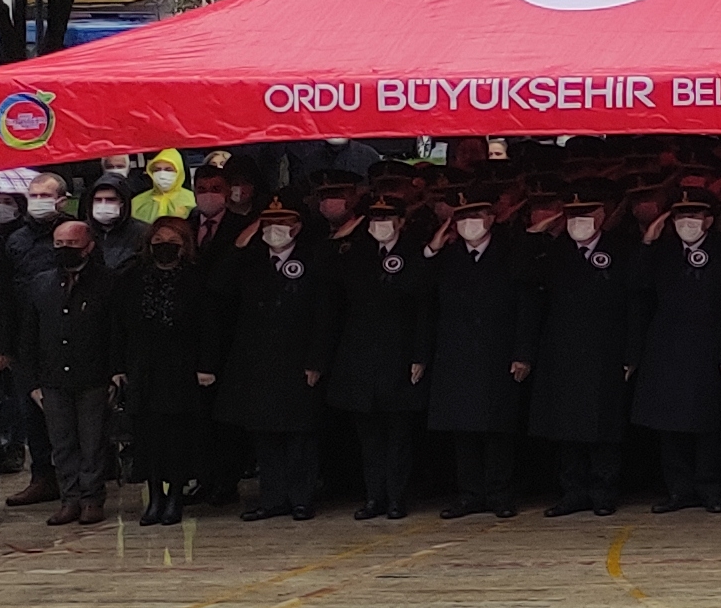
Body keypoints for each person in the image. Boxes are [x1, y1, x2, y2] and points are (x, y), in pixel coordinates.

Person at [631, 195, 721, 513]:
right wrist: (648, 241)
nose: (688, 221)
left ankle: (711, 488)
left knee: (707, 425)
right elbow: (638, 285)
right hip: (667, 350)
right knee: (669, 424)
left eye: (695, 214)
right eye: (681, 215)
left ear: (709, 219)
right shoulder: (663, 253)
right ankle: (679, 490)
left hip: (709, 349)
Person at [214, 199, 335, 521]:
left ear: (297, 226)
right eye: (267, 223)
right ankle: (272, 498)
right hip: (258, 361)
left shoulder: (314, 259)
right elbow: (219, 285)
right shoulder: (252, 262)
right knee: (265, 434)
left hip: (298, 359)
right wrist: (243, 241)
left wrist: (317, 360)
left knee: (300, 434)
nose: (274, 230)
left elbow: (325, 313)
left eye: (281, 223)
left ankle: (301, 498)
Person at [523, 198, 641, 516]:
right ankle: (572, 492)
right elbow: (523, 274)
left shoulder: (621, 250)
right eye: (573, 215)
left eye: (586, 215)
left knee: (604, 427)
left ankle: (603, 491)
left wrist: (632, 352)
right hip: (562, 353)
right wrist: (539, 232)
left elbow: (634, 304)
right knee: (566, 428)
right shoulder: (555, 250)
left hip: (606, 351)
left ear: (602, 216)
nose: (579, 221)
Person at [424, 198, 537, 519]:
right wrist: (433, 248)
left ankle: (500, 494)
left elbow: (526, 307)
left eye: (475, 215)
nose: (468, 222)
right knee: (464, 431)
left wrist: (523, 353)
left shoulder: (509, 253)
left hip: (498, 354)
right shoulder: (447, 257)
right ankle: (470, 495)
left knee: (498, 429)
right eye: (461, 217)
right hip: (457, 356)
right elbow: (418, 286)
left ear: (490, 218)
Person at [324, 194, 434, 521]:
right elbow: (325, 270)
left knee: (399, 436)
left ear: (401, 221)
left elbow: (423, 308)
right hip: (361, 358)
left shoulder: (414, 253)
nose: (379, 225)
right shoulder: (355, 253)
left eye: (387, 219)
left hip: (399, 357)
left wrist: (420, 354)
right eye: (373, 219)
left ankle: (397, 498)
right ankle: (375, 497)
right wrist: (345, 233)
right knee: (369, 437)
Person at [114, 218, 218, 527]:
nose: (164, 246)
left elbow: (209, 328)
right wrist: (118, 367)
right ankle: (154, 495)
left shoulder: (197, 280)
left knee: (177, 436)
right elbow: (118, 327)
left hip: (182, 368)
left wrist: (206, 366)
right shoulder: (132, 278)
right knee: (148, 436)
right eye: (158, 240)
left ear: (184, 245)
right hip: (143, 368)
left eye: (172, 240)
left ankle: (175, 495)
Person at [21, 218, 121, 526]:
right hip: (52, 378)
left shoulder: (108, 282)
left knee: (92, 442)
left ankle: (92, 499)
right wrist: (32, 382)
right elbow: (28, 334)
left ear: (89, 246)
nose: (64, 250)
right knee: (61, 443)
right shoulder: (40, 282)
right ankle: (70, 499)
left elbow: (117, 331)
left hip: (93, 376)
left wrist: (116, 373)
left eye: (72, 245)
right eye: (59, 245)